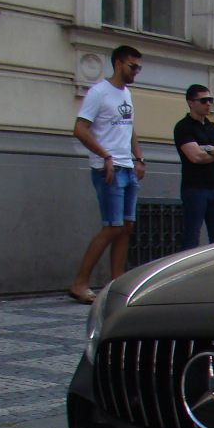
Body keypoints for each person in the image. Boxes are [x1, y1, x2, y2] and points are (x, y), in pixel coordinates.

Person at [68, 45, 145, 304]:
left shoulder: (127, 94)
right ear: (119, 63)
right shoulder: (99, 92)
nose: (136, 71)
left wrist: (138, 158)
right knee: (112, 227)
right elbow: (80, 128)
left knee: (126, 227)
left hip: (127, 166)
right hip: (108, 169)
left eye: (138, 67)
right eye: (133, 66)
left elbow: (130, 128)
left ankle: (116, 284)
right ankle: (80, 283)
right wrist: (105, 156)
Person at [173, 84, 214, 250]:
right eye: (204, 100)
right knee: (191, 239)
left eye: (210, 100)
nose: (209, 104)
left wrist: (207, 148)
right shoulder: (184, 127)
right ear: (191, 102)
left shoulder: (212, 127)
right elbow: (195, 157)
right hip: (194, 189)